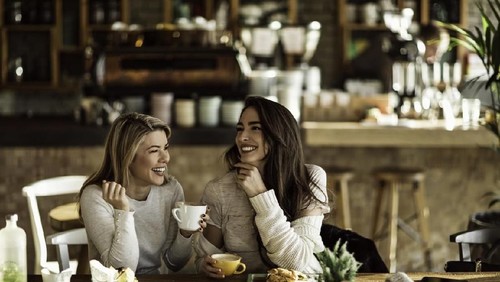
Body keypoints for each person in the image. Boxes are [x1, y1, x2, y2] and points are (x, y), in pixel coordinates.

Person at [194, 96, 330, 278]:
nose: (242, 137)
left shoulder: (309, 178)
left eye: (255, 128)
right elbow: (205, 259)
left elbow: (299, 263)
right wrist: (204, 265)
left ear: (279, 134)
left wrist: (260, 196)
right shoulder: (219, 190)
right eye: (240, 129)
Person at [78, 112, 207, 275]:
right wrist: (123, 211)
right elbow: (122, 271)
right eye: (154, 151)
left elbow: (174, 263)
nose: (165, 157)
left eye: (165, 148)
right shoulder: (96, 196)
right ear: (128, 156)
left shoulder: (171, 190)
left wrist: (185, 233)